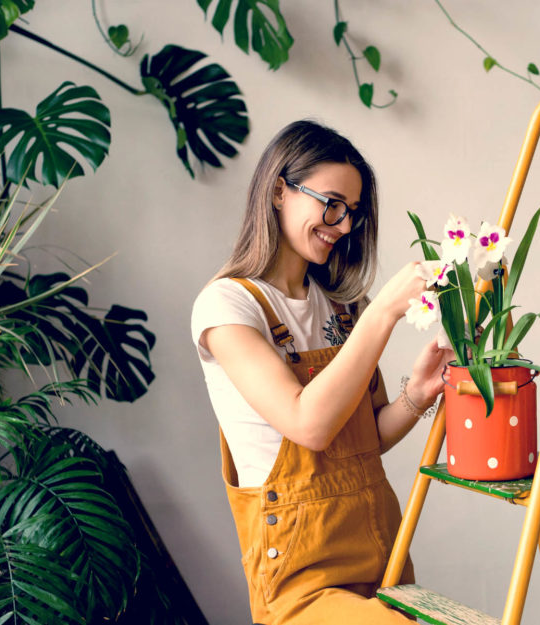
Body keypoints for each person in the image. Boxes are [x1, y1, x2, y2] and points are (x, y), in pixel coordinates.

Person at [191, 120, 451, 624]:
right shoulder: (226, 306)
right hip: (301, 574)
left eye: (352, 212)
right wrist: (384, 314)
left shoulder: (344, 306)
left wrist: (417, 395)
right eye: (333, 204)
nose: (345, 224)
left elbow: (365, 438)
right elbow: (308, 425)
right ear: (278, 192)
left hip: (380, 547)